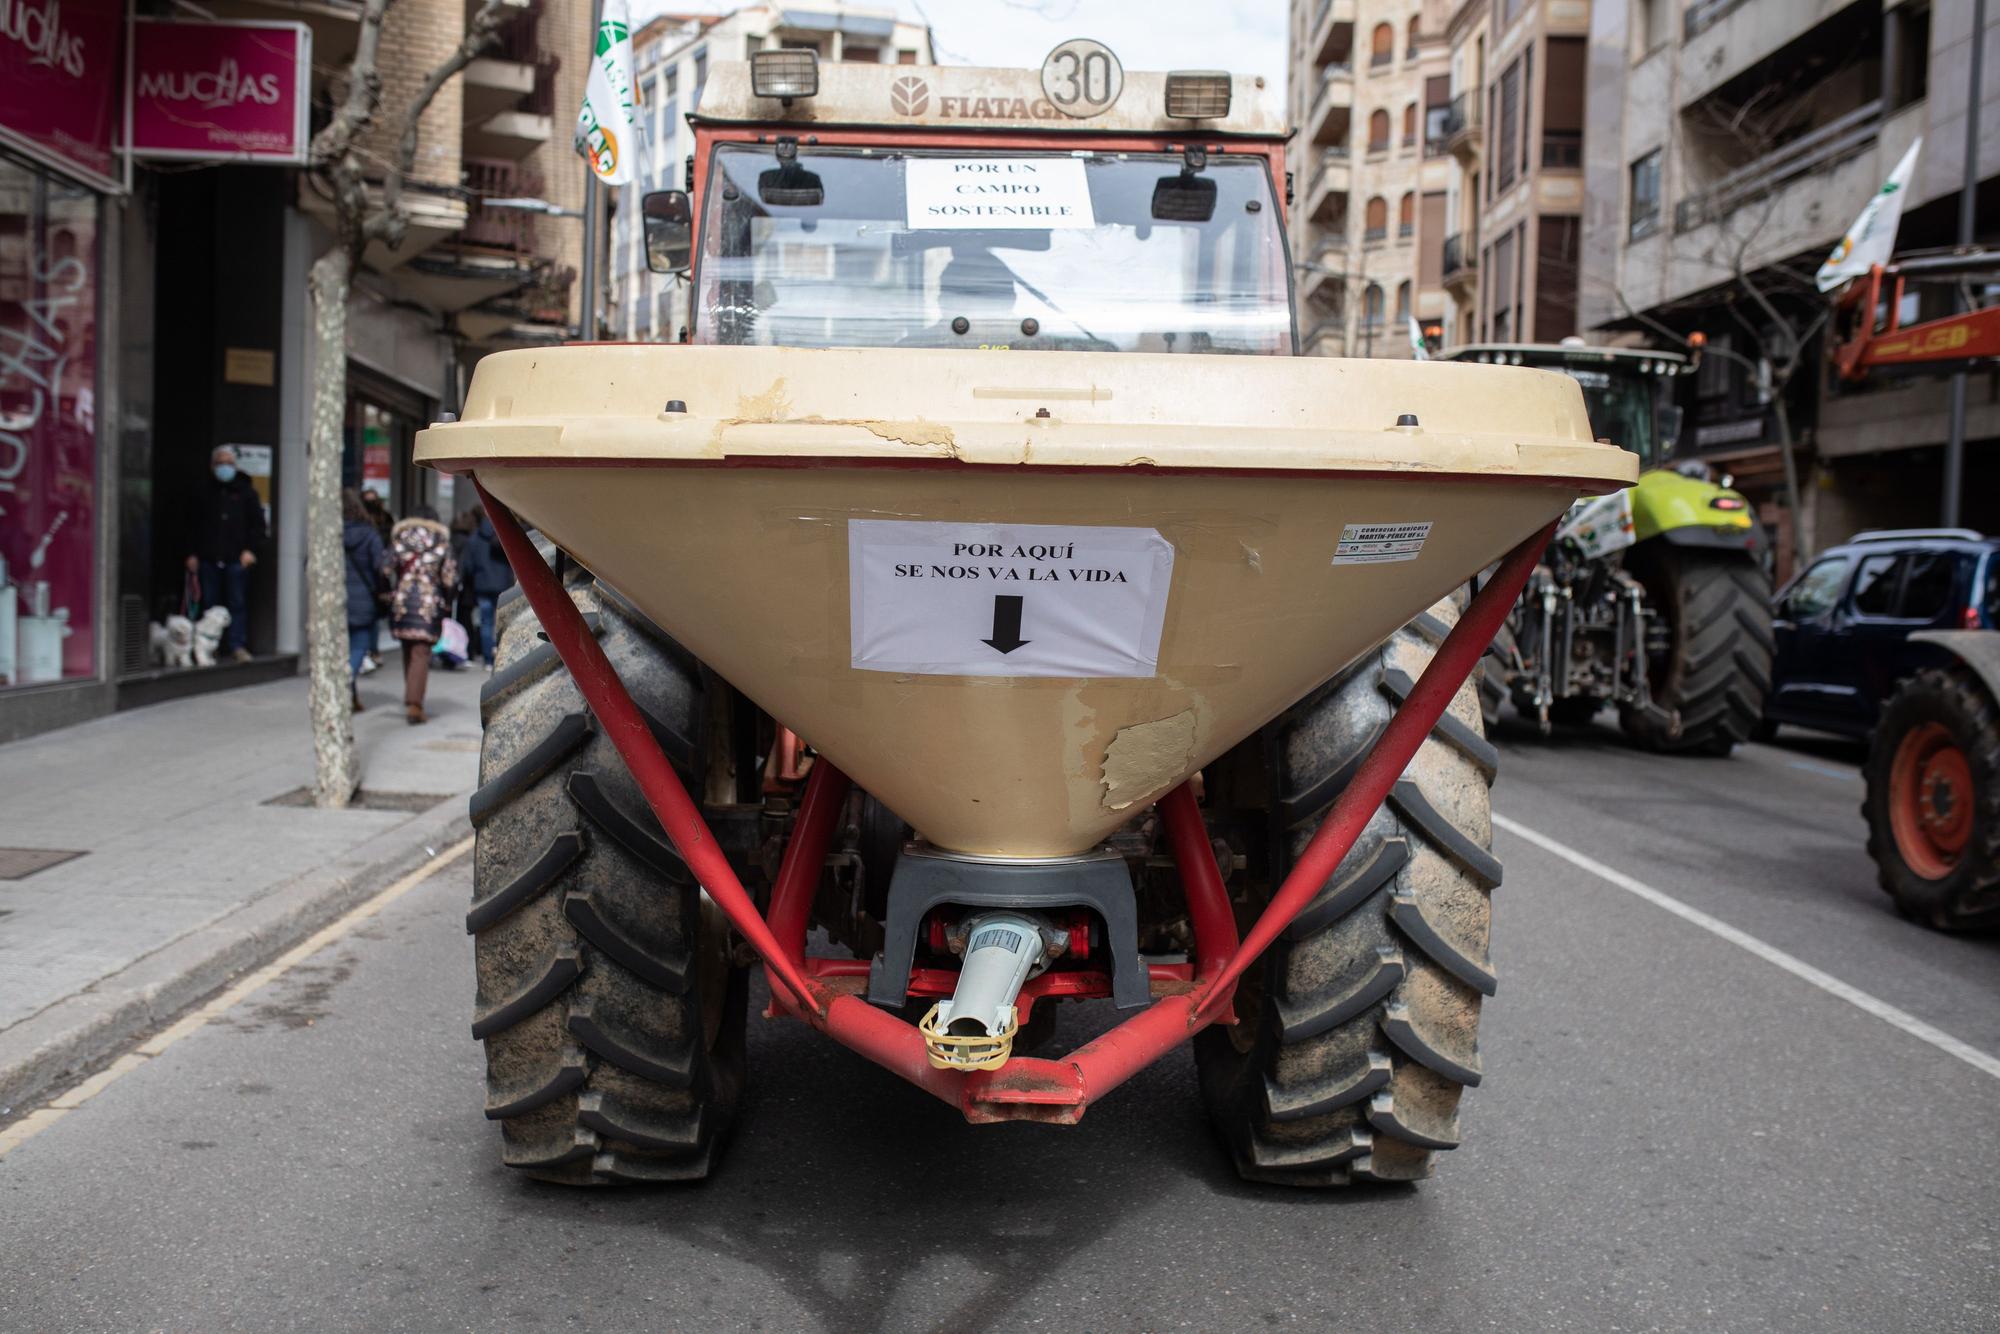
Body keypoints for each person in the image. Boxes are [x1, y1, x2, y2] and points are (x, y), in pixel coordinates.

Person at [186, 445, 266, 663]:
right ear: (212, 466)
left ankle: (236, 645)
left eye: (229, 463)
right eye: (221, 463)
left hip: (236, 558)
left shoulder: (246, 493)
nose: (225, 468)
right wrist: (192, 553)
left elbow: (258, 526)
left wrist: (250, 551)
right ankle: (210, 645)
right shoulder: (203, 491)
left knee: (237, 603)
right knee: (209, 604)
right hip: (208, 557)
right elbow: (192, 526)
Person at [387, 505, 458, 724]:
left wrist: (389, 592)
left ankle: (411, 696)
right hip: (428, 603)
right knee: (421, 652)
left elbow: (384, 568)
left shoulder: (400, 540)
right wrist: (447, 600)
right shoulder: (441, 542)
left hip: (402, 601)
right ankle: (415, 705)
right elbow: (450, 577)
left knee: (408, 648)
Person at [341, 489, 387, 712]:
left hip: (335, 600)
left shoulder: (328, 533)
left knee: (340, 647)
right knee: (359, 644)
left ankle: (348, 692)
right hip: (363, 599)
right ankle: (346, 683)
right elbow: (381, 567)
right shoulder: (369, 534)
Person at [456, 507, 516, 667]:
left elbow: (467, 565)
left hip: (482, 585)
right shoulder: (503, 535)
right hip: (503, 585)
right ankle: (501, 658)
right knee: (502, 623)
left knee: (486, 623)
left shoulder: (474, 538)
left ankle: (488, 660)